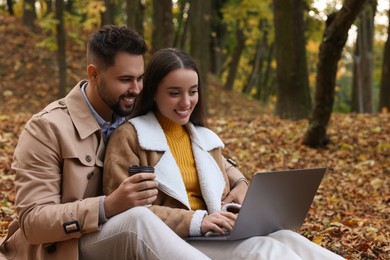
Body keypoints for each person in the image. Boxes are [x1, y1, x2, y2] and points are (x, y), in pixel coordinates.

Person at [0, 25, 240, 260]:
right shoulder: (47, 128)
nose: (135, 89)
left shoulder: (134, 114)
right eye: (125, 79)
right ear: (94, 74)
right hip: (66, 248)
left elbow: (188, 146)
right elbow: (33, 221)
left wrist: (238, 180)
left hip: (129, 235)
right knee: (138, 219)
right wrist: (107, 205)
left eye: (140, 78)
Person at [103, 48, 345, 260]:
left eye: (193, 91)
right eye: (174, 93)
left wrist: (240, 196)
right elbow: (127, 213)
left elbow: (225, 174)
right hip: (176, 241)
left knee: (287, 238)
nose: (186, 102)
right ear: (153, 93)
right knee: (262, 250)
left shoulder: (203, 138)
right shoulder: (130, 137)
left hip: (216, 232)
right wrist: (197, 221)